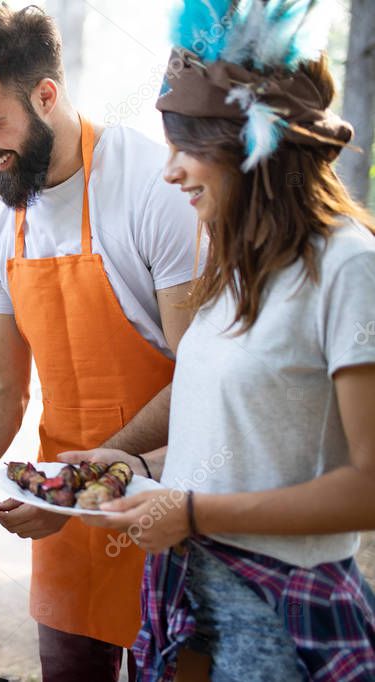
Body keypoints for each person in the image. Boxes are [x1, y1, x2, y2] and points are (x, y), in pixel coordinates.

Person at [77, 2, 375, 680]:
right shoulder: (234, 271)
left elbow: (369, 487)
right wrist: (131, 470)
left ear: (253, 148)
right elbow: (237, 440)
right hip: (189, 593)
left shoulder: (348, 268)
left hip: (279, 613)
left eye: (187, 148)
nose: (169, 171)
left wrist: (190, 510)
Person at [0, 5, 201, 680]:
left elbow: (201, 377)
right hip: (66, 517)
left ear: (46, 95)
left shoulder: (154, 189)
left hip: (172, 495)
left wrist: (81, 481)